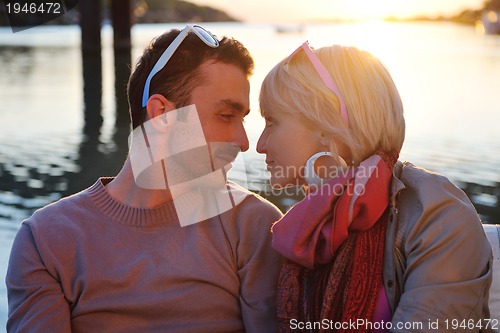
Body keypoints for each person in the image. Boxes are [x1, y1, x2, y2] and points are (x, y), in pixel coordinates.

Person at [6, 25, 282, 333]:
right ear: (161, 114)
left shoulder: (255, 226)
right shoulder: (46, 241)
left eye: (242, 119)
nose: (244, 142)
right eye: (226, 116)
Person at [256, 42, 493, 332]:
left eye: (271, 121)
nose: (259, 145)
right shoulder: (309, 224)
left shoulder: (437, 214)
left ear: (325, 125)